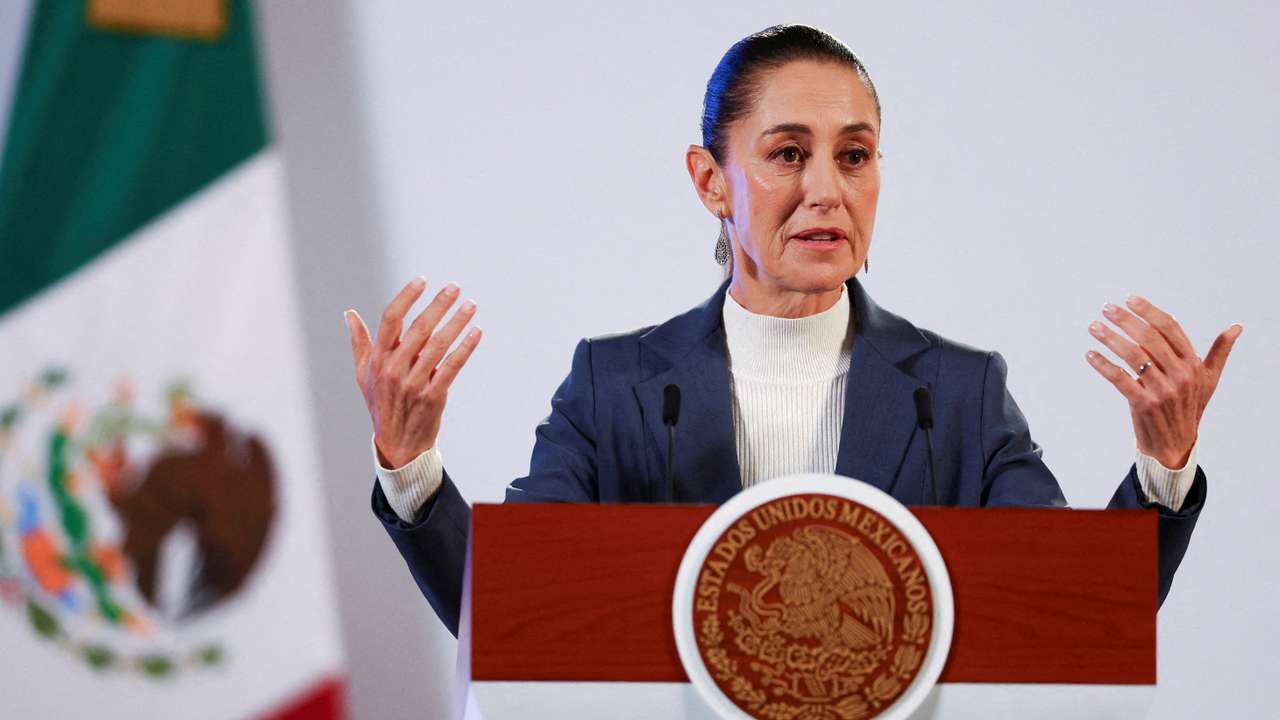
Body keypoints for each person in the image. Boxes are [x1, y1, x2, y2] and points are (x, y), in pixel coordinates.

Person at [344, 25, 1241, 638]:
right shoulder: (612, 386)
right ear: (709, 181)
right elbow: (513, 610)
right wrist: (412, 462)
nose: (827, 189)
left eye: (853, 156)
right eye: (787, 154)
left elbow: (1064, 614)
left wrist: (1163, 471)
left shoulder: (959, 394)